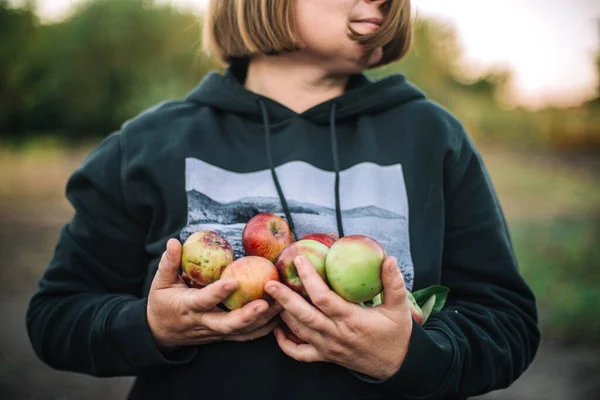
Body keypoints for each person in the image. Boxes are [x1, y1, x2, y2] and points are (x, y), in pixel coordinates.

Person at [26, 0, 540, 399]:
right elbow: (57, 318)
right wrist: (153, 326)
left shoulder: (432, 138)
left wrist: (413, 354)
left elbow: (506, 322)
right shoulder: (145, 146)